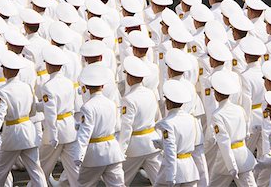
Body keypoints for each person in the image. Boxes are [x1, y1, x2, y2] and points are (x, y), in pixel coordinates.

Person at [0, 51, 47, 186]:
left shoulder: (3, 91)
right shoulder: (27, 87)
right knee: (36, 171)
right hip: (28, 131)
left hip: (12, 135)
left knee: (1, 171)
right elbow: (32, 111)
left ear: (6, 71)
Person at [74, 64, 126, 187]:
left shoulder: (87, 107)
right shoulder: (111, 103)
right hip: (112, 150)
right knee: (117, 185)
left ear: (86, 87)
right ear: (102, 86)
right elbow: (117, 126)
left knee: (85, 185)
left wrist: (79, 155)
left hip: (95, 154)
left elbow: (85, 133)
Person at [39, 45, 79, 186]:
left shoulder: (48, 86)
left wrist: (53, 135)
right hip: (69, 129)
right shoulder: (68, 82)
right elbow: (69, 105)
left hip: (55, 130)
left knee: (41, 168)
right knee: (74, 170)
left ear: (48, 65)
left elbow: (51, 113)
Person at [209, 70, 257, 187]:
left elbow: (224, 141)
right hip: (243, 154)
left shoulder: (217, 115)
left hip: (226, 161)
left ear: (216, 94)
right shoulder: (239, 109)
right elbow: (246, 131)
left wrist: (231, 166)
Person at [119, 55, 161, 186]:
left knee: (118, 181)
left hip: (135, 147)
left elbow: (126, 127)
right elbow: (157, 117)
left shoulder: (129, 99)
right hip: (152, 144)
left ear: (130, 77)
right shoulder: (150, 93)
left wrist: (120, 151)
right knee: (161, 181)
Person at [153, 80, 200, 187]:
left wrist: (170, 176)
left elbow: (171, 150)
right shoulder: (192, 119)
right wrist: (161, 143)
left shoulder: (167, 123)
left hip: (173, 170)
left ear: (168, 102)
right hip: (189, 169)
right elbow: (193, 144)